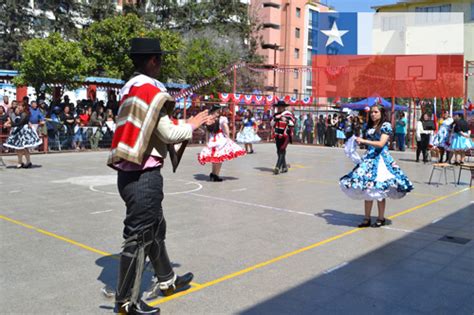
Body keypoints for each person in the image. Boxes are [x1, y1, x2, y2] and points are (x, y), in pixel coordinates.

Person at [106, 38, 215, 315]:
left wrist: (190, 124)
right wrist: (192, 125)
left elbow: (155, 128)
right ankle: (126, 302)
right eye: (161, 60)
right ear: (153, 61)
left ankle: (167, 279)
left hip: (130, 173)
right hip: (144, 175)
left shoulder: (131, 88)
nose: (162, 65)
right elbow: (167, 134)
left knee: (155, 228)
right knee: (139, 235)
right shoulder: (150, 90)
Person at [340, 104, 413, 228]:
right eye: (372, 112)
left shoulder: (386, 125)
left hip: (381, 160)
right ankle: (367, 218)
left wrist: (364, 141)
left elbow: (381, 143)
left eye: (376, 112)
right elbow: (369, 142)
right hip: (369, 158)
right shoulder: (369, 126)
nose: (373, 114)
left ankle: (380, 218)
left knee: (380, 190)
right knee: (367, 188)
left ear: (381, 113)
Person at [198, 104, 246, 181]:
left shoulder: (208, 119)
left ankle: (213, 174)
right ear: (216, 111)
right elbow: (225, 128)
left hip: (212, 139)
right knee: (219, 158)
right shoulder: (221, 119)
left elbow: (206, 131)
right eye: (218, 111)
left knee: (215, 158)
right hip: (220, 139)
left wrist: (207, 141)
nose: (219, 112)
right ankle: (215, 175)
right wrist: (228, 138)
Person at [3, 102, 42, 168]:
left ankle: (28, 162)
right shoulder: (17, 114)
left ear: (23, 107)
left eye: (20, 106)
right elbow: (14, 121)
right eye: (18, 106)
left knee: (24, 148)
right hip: (18, 132)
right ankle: (20, 162)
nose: (18, 108)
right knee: (18, 148)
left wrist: (9, 125)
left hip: (24, 132)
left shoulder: (24, 114)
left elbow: (19, 123)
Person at [271, 100, 295, 175]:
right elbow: (271, 124)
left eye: (281, 107)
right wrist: (276, 119)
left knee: (282, 149)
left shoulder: (288, 114)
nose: (279, 108)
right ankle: (284, 167)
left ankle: (277, 167)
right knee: (278, 151)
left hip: (286, 135)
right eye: (278, 107)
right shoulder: (276, 115)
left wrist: (286, 120)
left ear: (284, 107)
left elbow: (292, 123)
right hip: (278, 135)